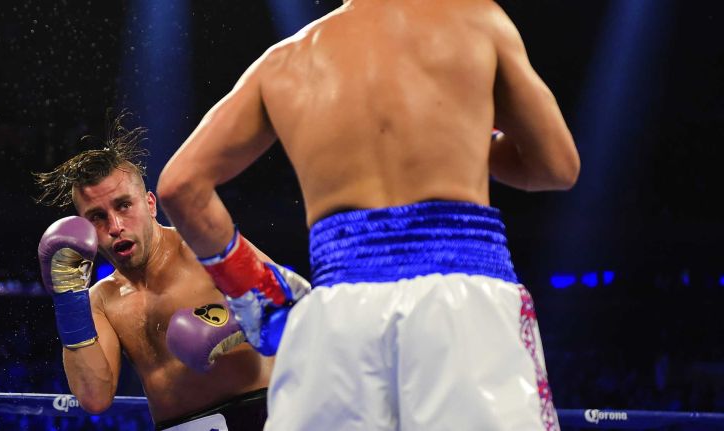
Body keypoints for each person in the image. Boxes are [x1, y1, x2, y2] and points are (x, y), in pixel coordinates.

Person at [157, 0, 580, 429]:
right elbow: (557, 167)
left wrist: (255, 288)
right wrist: (465, 132)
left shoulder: (284, 61)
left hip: (338, 321)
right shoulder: (475, 19)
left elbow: (179, 186)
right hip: (463, 305)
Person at [33, 116, 276, 431]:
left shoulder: (203, 248)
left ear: (149, 203)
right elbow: (94, 397)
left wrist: (235, 325)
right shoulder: (99, 300)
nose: (115, 226)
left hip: (262, 416)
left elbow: (299, 303)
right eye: (97, 216)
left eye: (123, 206)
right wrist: (67, 300)